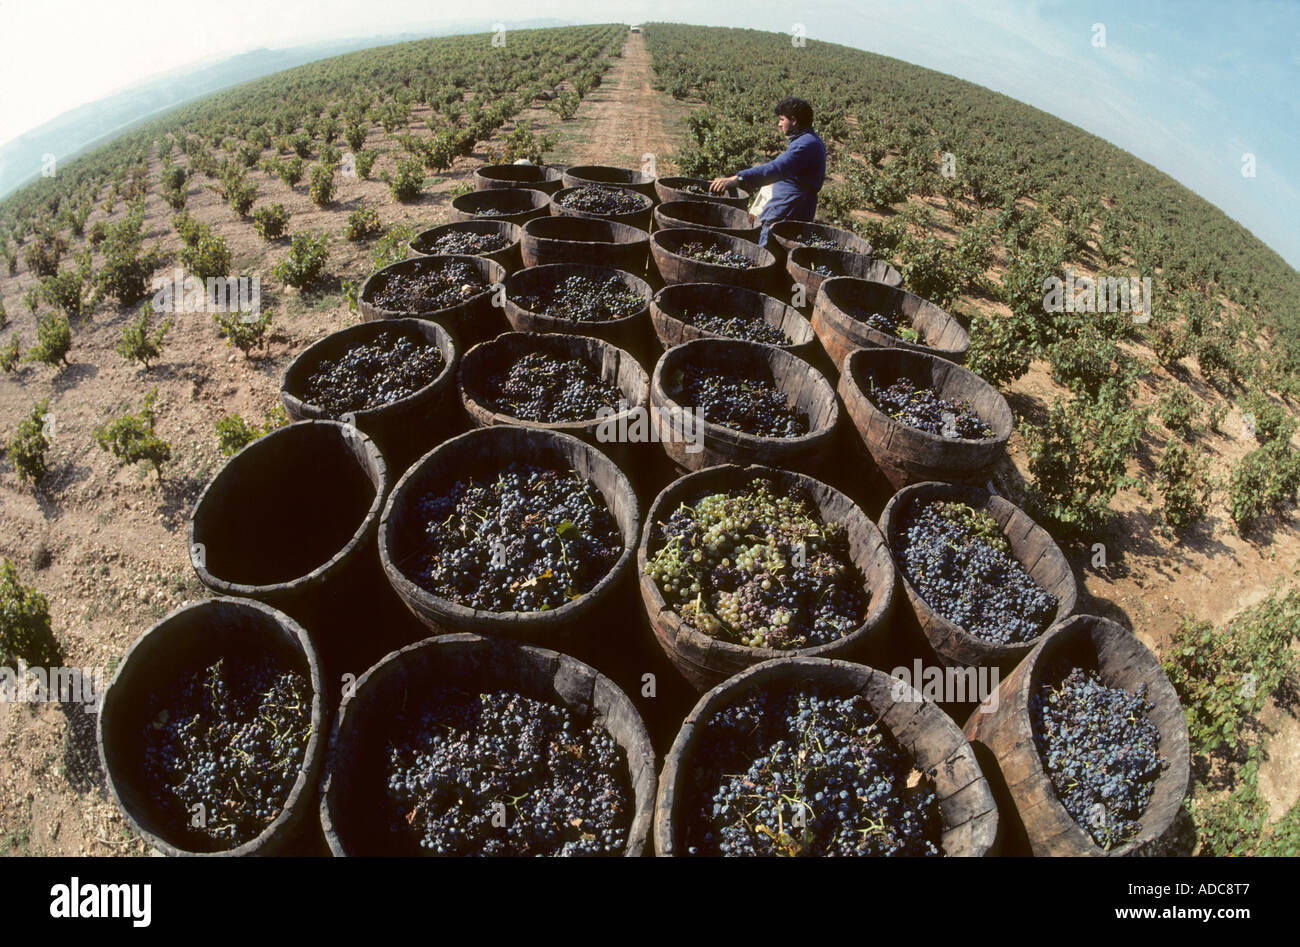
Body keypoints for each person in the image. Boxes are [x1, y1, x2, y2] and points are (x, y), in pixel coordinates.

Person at [709, 97, 827, 248]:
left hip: (788, 208)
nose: (779, 124)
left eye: (782, 119)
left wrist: (738, 178)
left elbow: (776, 168)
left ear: (794, 120)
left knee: (767, 248)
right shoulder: (808, 140)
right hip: (790, 205)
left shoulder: (806, 144)